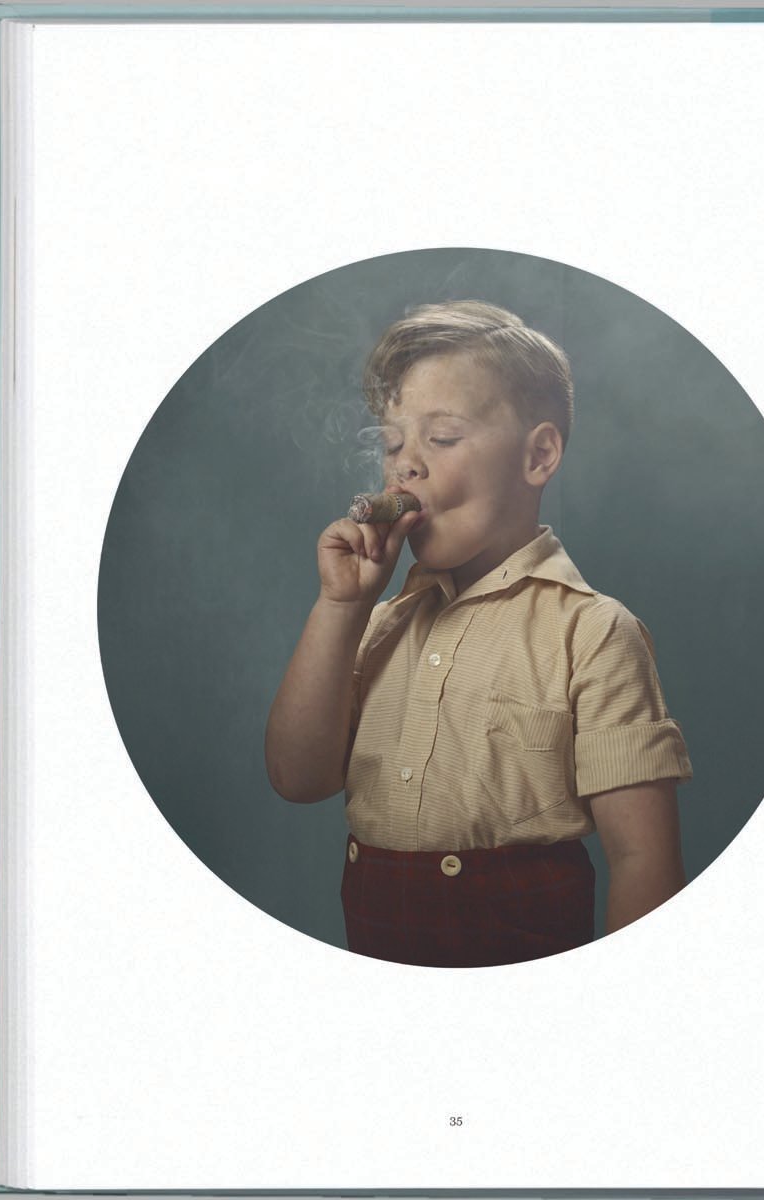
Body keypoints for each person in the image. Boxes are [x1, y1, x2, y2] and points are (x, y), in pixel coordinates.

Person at [265, 300, 692, 968]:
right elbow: (297, 777)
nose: (406, 467)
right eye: (392, 445)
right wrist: (339, 607)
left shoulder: (594, 633)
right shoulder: (377, 625)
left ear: (538, 455)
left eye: (440, 440)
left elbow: (643, 860)